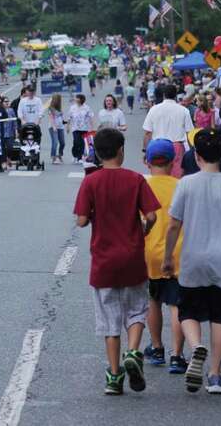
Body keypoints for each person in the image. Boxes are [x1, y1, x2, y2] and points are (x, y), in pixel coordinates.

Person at [161, 129, 221, 395]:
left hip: (193, 257)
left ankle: (195, 346)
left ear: (196, 155)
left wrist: (168, 257)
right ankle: (214, 375)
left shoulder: (185, 184)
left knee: (188, 310)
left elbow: (174, 225)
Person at [73, 128, 161, 396]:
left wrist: (92, 214)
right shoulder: (135, 179)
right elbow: (152, 216)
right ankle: (133, 352)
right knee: (136, 310)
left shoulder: (91, 181)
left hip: (104, 260)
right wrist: (144, 229)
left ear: (97, 154)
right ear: (121, 150)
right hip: (133, 257)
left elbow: (81, 220)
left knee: (109, 321)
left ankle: (113, 375)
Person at [141, 139, 186, 373]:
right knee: (176, 304)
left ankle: (157, 348)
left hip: (149, 252)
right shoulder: (181, 187)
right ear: (173, 161)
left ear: (147, 162)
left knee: (153, 300)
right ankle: (177, 355)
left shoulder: (143, 186)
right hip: (177, 252)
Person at [142, 84, 194, 177]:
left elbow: (147, 133)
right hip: (176, 147)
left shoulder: (154, 109)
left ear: (164, 95)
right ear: (175, 95)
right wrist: (192, 151)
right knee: (176, 177)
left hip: (158, 146)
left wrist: (146, 151)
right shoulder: (183, 110)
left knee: (159, 176)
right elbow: (189, 133)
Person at [68, 94, 93, 164]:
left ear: (81, 99)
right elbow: (69, 117)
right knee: (76, 142)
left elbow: (91, 117)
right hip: (75, 128)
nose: (75, 99)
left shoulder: (87, 108)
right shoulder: (72, 107)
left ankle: (80, 157)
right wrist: (68, 126)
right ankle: (75, 155)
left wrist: (91, 127)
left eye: (77, 98)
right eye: (76, 98)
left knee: (82, 143)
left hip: (84, 128)